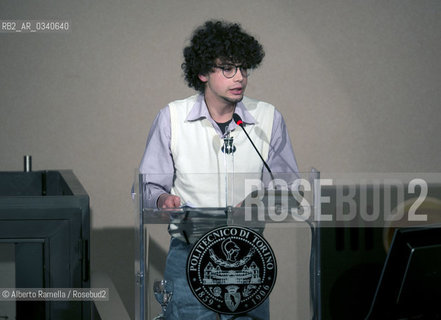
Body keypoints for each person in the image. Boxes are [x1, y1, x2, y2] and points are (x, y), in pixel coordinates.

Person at [139, 20, 298, 320]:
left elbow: (288, 187)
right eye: (227, 68)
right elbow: (149, 189)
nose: (239, 77)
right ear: (202, 73)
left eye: (243, 68)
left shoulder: (268, 118)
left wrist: (258, 203)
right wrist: (164, 201)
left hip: (249, 254)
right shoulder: (172, 118)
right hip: (190, 254)